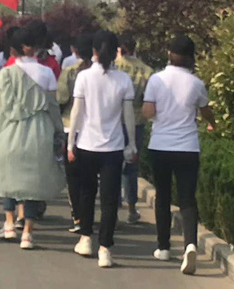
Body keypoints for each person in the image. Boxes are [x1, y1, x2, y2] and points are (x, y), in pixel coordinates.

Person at [142, 34, 216, 275]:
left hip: (161, 145)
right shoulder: (196, 83)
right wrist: (212, 123)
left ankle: (163, 247)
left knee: (163, 196)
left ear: (169, 54)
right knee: (187, 198)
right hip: (187, 147)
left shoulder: (156, 80)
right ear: (191, 57)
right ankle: (190, 245)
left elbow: (148, 111)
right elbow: (205, 111)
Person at [0, 27, 64, 250]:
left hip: (9, 129)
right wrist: (59, 134)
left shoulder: (6, 73)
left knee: (9, 179)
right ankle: (28, 233)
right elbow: (53, 108)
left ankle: (9, 223)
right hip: (39, 131)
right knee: (33, 183)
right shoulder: (47, 73)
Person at [68, 30, 137, 268]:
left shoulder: (84, 77)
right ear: (116, 51)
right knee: (109, 199)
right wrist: (132, 143)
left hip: (87, 144)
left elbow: (77, 113)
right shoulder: (124, 80)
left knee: (87, 193)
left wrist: (71, 143)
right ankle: (105, 249)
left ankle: (86, 239)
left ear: (94, 51)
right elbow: (128, 116)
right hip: (113, 147)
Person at [56, 33, 93, 233]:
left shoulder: (69, 72)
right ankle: (88, 215)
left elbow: (61, 98)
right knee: (90, 176)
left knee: (73, 176)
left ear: (75, 51)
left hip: (70, 125)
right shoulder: (100, 73)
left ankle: (77, 216)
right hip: (92, 129)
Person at [115, 32, 154, 224]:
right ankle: (131, 209)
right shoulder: (147, 71)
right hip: (137, 121)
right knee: (131, 165)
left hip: (114, 121)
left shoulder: (113, 67)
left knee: (112, 166)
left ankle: (113, 209)